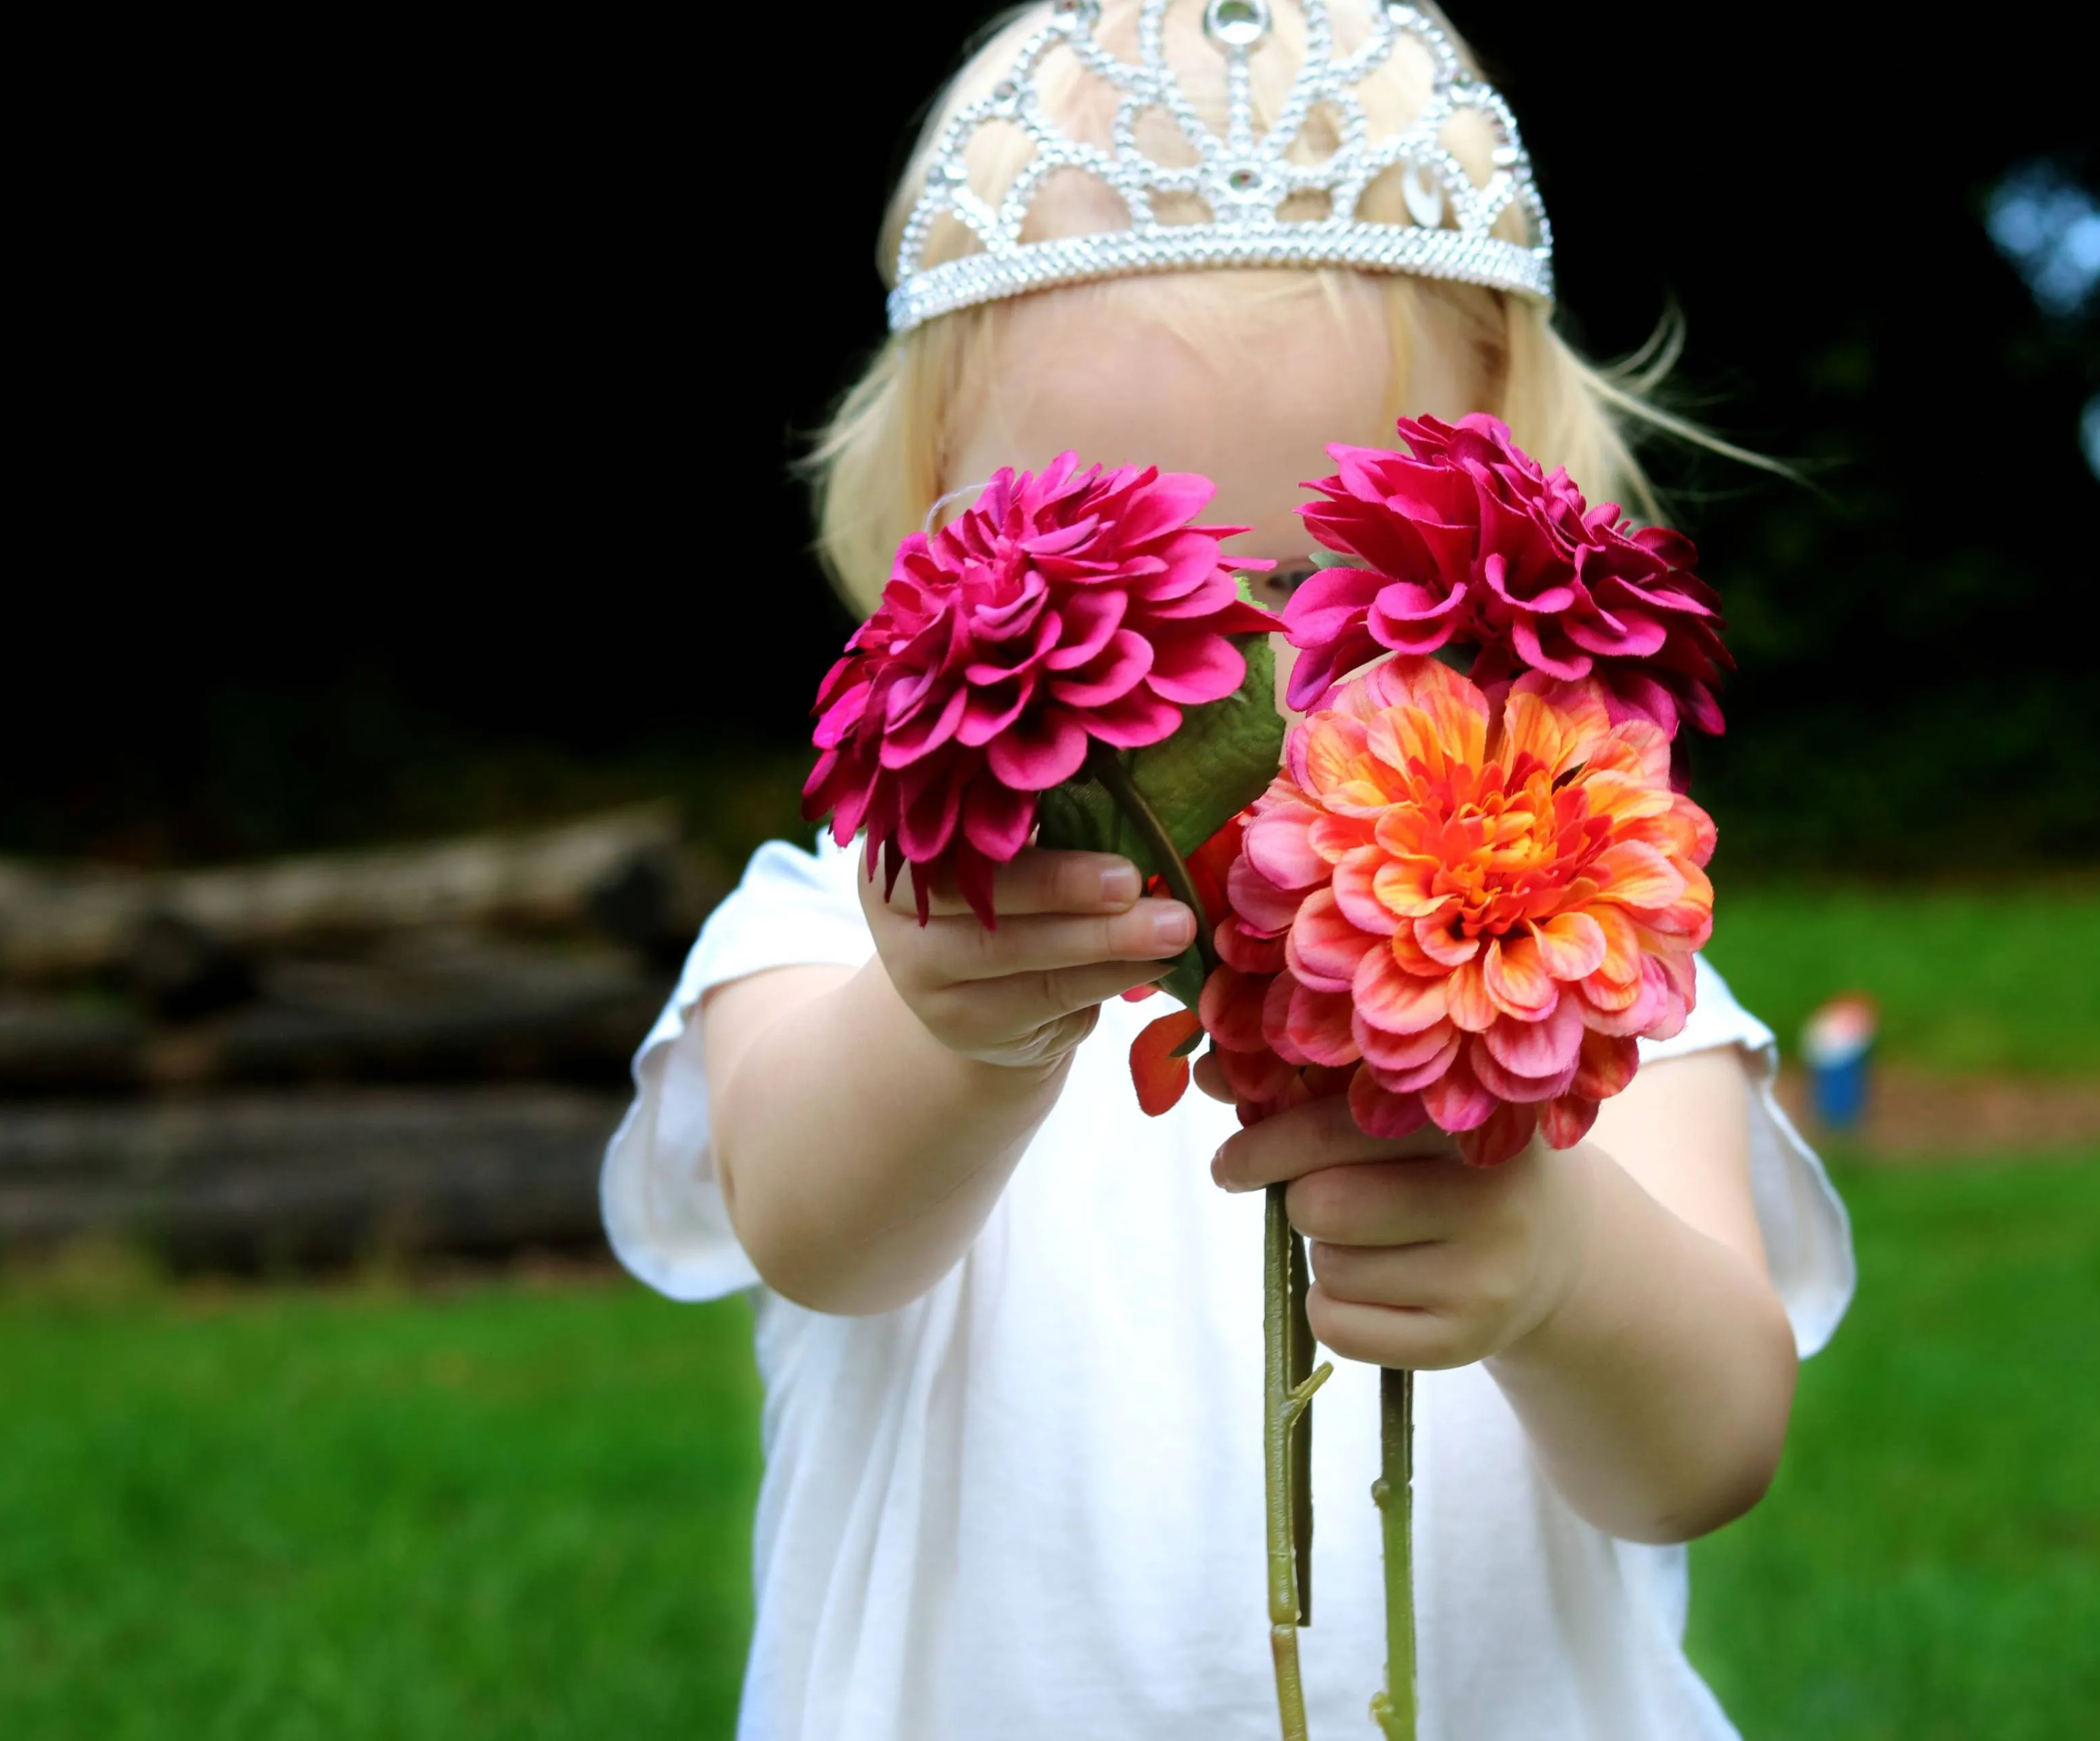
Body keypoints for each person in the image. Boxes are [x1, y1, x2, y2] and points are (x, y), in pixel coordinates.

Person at [603, 3, 1852, 1734]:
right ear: (936, 550)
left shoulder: (1585, 964)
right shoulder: (839, 931)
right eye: (1118, 583)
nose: (1222, 683)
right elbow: (817, 1225)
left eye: (1295, 575)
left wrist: (1555, 1256)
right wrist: (948, 1028)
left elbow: (1707, 1445)